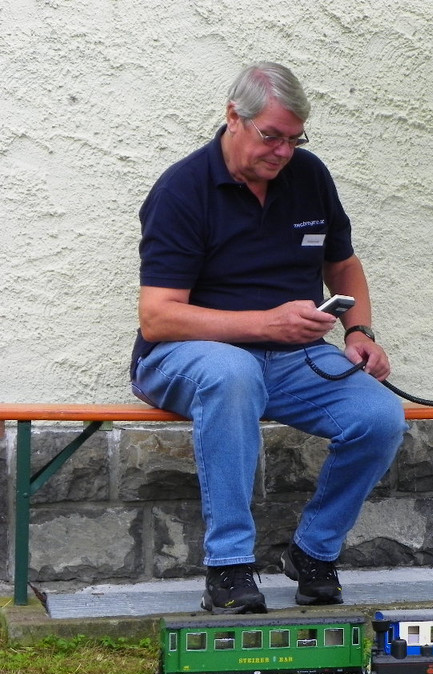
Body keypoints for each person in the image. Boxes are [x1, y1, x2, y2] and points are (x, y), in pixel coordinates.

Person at [130, 62, 407, 614]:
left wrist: (359, 332)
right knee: (233, 374)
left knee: (380, 416)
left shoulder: (309, 175)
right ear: (234, 116)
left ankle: (313, 551)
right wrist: (265, 323)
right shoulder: (183, 189)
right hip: (182, 357)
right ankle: (228, 567)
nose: (283, 152)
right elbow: (158, 318)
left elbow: (343, 265)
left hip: (289, 358)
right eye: (272, 136)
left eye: (295, 139)